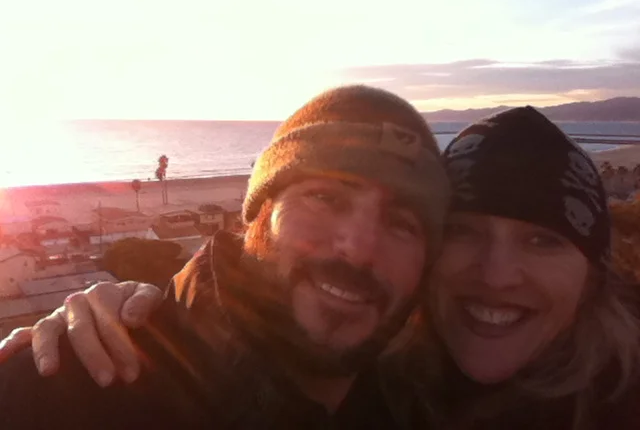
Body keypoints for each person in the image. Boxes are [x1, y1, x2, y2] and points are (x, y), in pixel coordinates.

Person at [4, 106, 640, 429]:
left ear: (594, 272)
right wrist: (150, 310)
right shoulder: (366, 380)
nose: (497, 274)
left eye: (543, 242)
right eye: (464, 233)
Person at [0, 85, 450, 429]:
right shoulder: (59, 394)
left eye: (402, 224)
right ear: (257, 215)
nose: (359, 248)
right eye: (325, 198)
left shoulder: (417, 407)